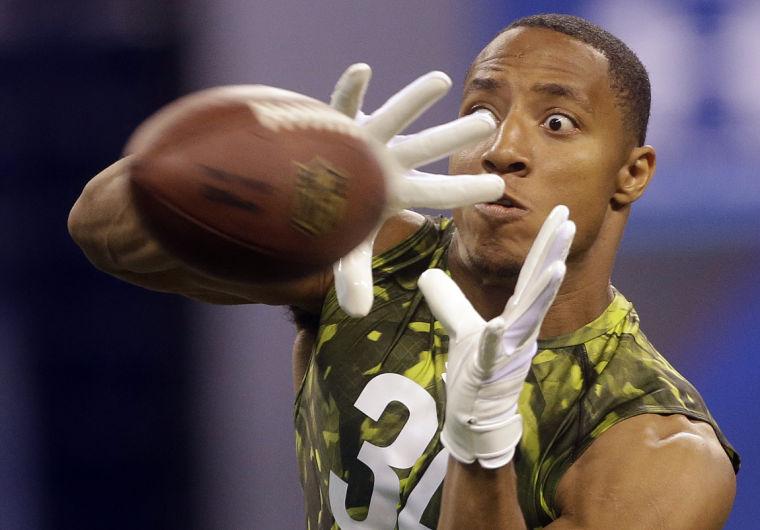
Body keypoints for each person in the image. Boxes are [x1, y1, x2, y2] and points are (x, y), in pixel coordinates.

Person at [69, 13, 739, 530]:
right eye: (482, 112)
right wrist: (315, 175)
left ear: (632, 172)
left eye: (557, 122)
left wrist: (482, 444)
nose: (502, 147)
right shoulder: (373, 260)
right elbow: (101, 231)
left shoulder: (658, 449)